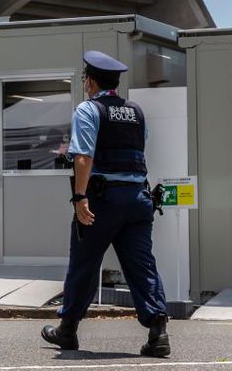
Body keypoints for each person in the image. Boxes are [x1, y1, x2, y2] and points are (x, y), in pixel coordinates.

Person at [41, 51, 170, 358]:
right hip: (139, 199)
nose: (84, 83)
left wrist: (80, 197)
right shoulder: (136, 112)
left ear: (91, 81)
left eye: (85, 78)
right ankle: (158, 331)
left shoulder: (89, 110)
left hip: (104, 199)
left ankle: (68, 330)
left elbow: (84, 157)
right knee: (142, 266)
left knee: (84, 263)